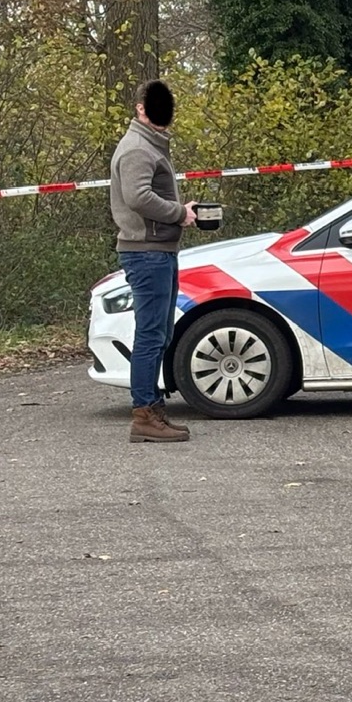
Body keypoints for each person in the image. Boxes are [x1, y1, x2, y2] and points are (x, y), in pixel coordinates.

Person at [109, 79, 196, 444]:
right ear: (140, 108)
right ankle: (144, 414)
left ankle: (152, 407)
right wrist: (179, 213)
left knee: (160, 333)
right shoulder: (137, 149)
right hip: (146, 252)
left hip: (157, 249)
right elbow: (138, 197)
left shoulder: (150, 144)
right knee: (150, 334)